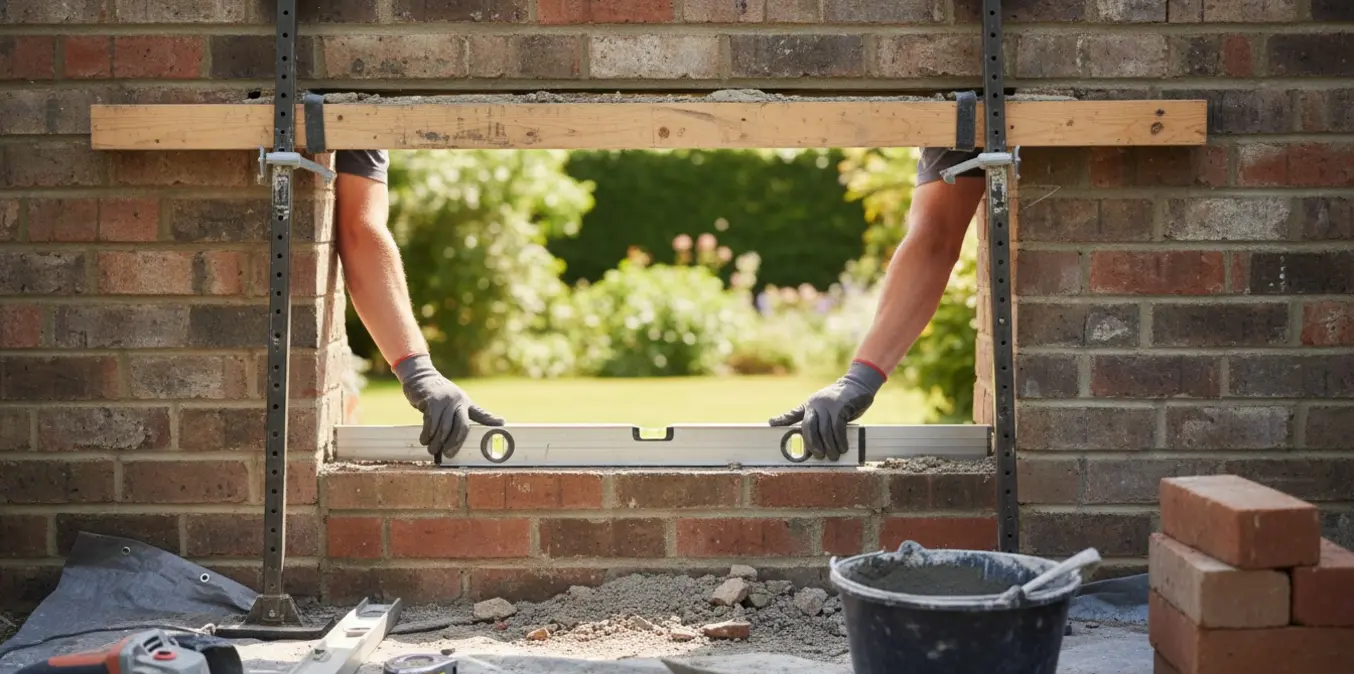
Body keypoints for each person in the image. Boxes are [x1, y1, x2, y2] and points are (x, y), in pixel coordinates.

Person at [334, 146, 985, 461]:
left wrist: (857, 381)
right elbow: (356, 225)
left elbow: (937, 235)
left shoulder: (961, 84)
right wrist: (415, 372)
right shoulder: (343, 82)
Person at [768, 147, 986, 461]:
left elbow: (935, 242)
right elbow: (935, 241)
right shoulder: (959, 112)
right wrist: (859, 380)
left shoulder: (964, 104)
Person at [333, 150, 505, 459]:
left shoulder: (346, 110)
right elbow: (358, 230)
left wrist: (419, 373)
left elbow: (358, 230)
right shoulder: (355, 106)